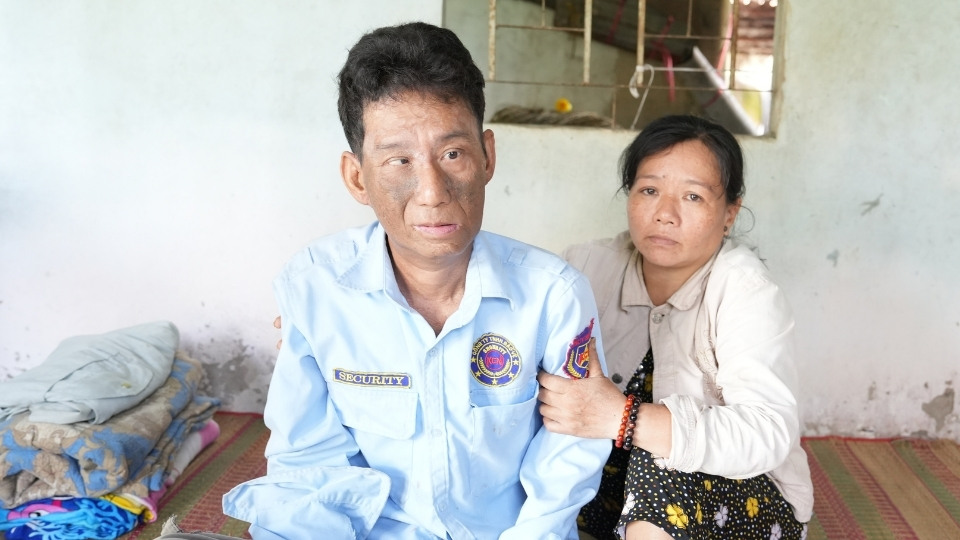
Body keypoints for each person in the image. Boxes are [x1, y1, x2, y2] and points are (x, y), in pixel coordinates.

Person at [161, 21, 610, 540]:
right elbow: (309, 463)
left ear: (487, 156)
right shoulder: (317, 289)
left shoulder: (553, 295)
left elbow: (566, 464)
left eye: (452, 154)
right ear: (357, 177)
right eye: (399, 160)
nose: (431, 192)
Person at [536, 115, 813, 540]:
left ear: (729, 213)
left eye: (693, 197)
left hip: (738, 498)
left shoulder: (746, 291)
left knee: (659, 457)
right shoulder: (584, 267)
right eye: (649, 190)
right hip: (612, 491)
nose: (664, 214)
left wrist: (624, 418)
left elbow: (768, 432)